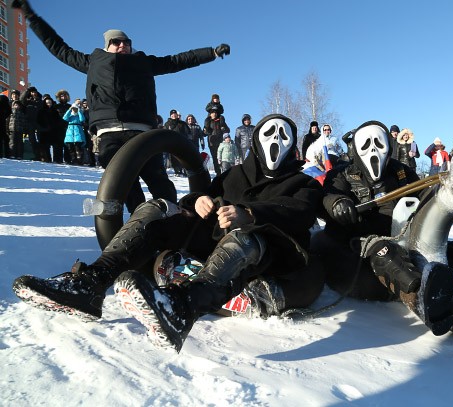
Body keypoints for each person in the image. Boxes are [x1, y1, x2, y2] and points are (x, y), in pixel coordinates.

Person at [13, 114, 325, 353]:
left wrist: (252, 214)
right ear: (256, 140)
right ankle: (91, 282)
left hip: (267, 252)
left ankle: (182, 308)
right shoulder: (234, 174)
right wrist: (196, 200)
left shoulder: (303, 181)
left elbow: (300, 211)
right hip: (212, 240)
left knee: (244, 237)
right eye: (269, 132)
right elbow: (205, 198)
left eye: (284, 134)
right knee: (158, 207)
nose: (276, 140)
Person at [11, 0, 231, 213]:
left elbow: (178, 60)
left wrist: (210, 52)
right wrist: (31, 16)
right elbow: (57, 46)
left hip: (142, 133)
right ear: (107, 45)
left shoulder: (144, 62)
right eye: (117, 42)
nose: (122, 45)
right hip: (110, 133)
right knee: (125, 185)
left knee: (159, 180)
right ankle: (141, 224)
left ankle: (170, 218)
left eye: (126, 42)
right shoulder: (92, 62)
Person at [314, 120, 453, 336]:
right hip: (357, 246)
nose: (373, 149)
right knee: (383, 252)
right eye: (366, 144)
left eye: (378, 143)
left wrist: (448, 201)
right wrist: (338, 204)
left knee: (451, 248)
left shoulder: (401, 173)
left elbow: (423, 194)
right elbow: (328, 194)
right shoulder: (341, 174)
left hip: (401, 236)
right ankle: (421, 298)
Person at [203, 106, 230, 175]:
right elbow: (204, 133)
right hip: (211, 143)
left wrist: (224, 128)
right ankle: (218, 173)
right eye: (212, 113)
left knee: (222, 157)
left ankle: (224, 171)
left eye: (215, 113)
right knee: (215, 158)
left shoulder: (220, 121)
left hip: (221, 142)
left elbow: (228, 130)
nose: (214, 114)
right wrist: (205, 131)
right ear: (210, 114)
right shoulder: (208, 122)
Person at [36, 95, 62, 163]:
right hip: (44, 131)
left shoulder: (55, 111)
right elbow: (38, 120)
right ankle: (47, 159)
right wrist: (42, 128)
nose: (48, 104)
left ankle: (56, 159)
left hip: (54, 131)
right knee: (45, 146)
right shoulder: (41, 111)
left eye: (50, 102)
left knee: (55, 146)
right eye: (47, 103)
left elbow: (58, 121)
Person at [19, 86, 43, 161]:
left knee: (39, 140)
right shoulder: (27, 101)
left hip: (38, 123)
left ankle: (40, 156)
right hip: (29, 123)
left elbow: (41, 107)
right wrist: (27, 90)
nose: (34, 94)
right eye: (32, 92)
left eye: (35, 92)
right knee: (31, 140)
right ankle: (36, 155)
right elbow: (21, 99)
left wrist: (36, 96)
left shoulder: (39, 101)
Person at [164, 109, 189, 176]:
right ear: (170, 115)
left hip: (182, 142)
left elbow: (188, 132)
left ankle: (184, 170)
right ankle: (177, 171)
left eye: (175, 114)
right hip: (172, 143)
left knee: (183, 157)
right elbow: (164, 133)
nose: (174, 115)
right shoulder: (167, 124)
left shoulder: (182, 123)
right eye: (172, 114)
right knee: (173, 158)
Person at [62, 99, 87, 165]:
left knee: (78, 147)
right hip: (70, 132)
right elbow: (64, 118)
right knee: (70, 148)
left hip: (78, 131)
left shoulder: (79, 115)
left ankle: (79, 160)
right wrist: (70, 109)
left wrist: (79, 111)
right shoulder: (70, 116)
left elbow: (82, 119)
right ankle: (73, 159)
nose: (74, 110)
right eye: (74, 108)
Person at [53, 89, 71, 164]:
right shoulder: (56, 106)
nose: (63, 97)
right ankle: (57, 159)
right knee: (58, 144)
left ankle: (68, 159)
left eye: (64, 95)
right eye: (61, 96)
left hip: (68, 127)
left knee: (67, 144)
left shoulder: (70, 106)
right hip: (58, 127)